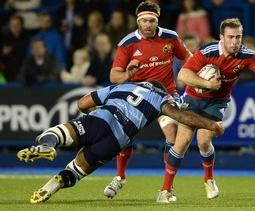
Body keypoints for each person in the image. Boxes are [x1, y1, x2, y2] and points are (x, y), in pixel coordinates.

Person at [16, 80, 224, 204]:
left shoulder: (122, 86)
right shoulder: (160, 99)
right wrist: (211, 125)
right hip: (116, 142)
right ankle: (56, 183)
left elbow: (82, 103)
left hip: (101, 120)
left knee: (58, 132)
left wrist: (90, 115)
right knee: (78, 169)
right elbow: (183, 117)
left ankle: (47, 145)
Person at [156, 18, 255, 203]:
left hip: (217, 101)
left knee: (204, 141)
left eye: (238, 37)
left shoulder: (247, 55)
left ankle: (209, 180)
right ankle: (165, 190)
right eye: (230, 37)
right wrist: (208, 84)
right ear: (222, 37)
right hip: (193, 99)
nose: (235, 42)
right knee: (181, 143)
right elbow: (183, 75)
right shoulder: (207, 51)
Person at [103, 0, 192, 199]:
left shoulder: (171, 37)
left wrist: (191, 76)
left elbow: (189, 58)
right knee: (123, 136)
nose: (149, 25)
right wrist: (128, 74)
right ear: (138, 21)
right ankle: (120, 177)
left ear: (157, 21)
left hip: (165, 94)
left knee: (173, 134)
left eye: (152, 21)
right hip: (137, 96)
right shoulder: (127, 43)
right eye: (145, 21)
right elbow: (113, 77)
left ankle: (167, 188)